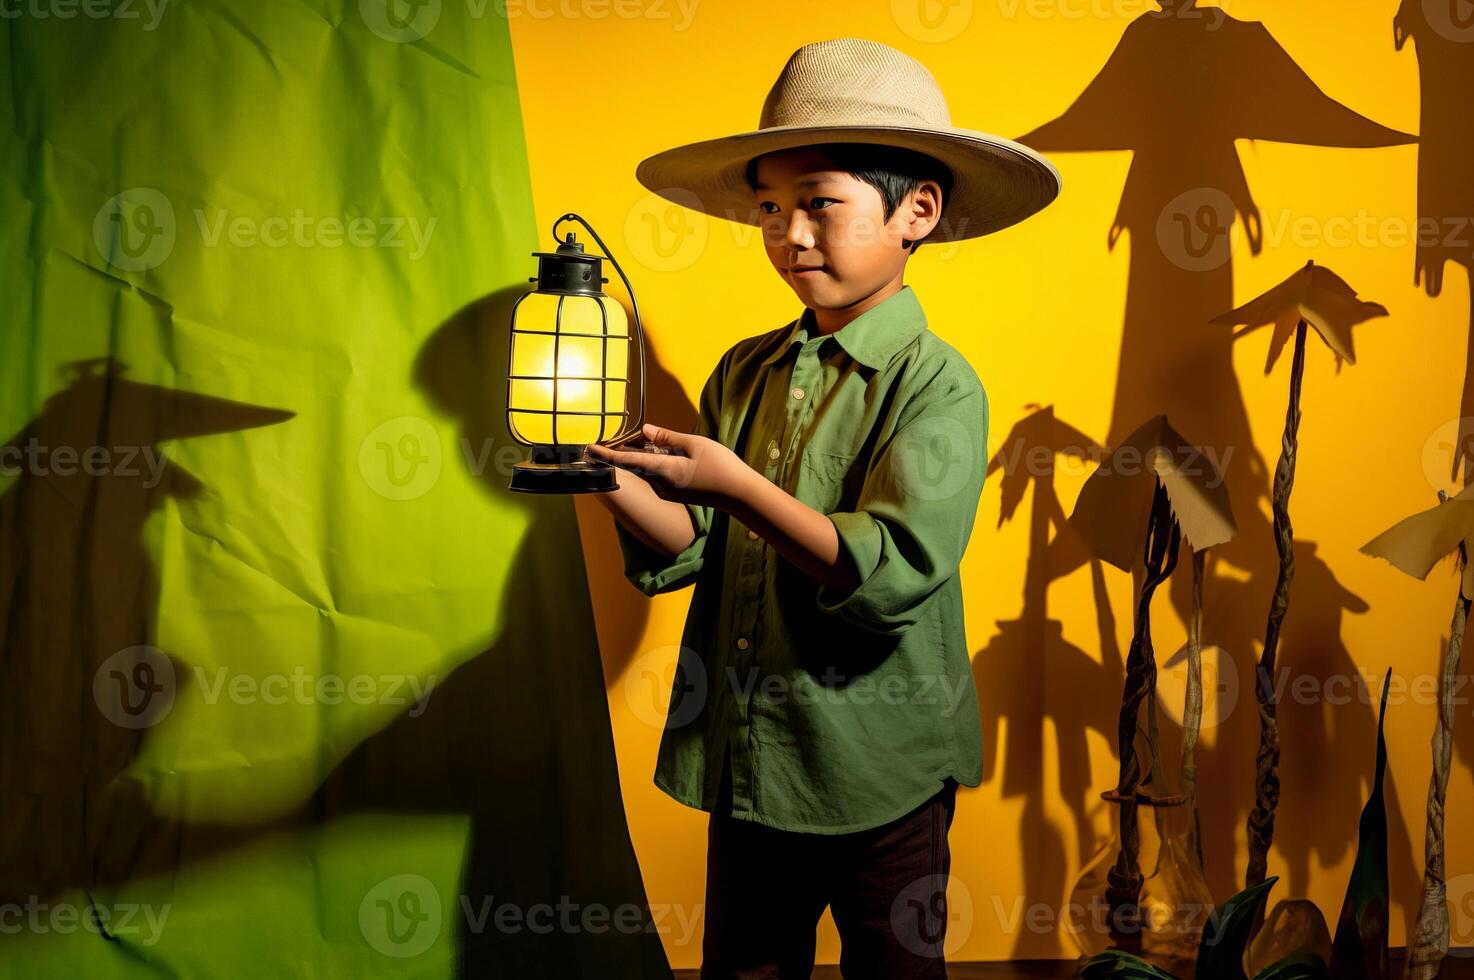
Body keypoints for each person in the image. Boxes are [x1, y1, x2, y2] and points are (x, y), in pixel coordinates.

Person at [584, 37, 1059, 979]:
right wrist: (611, 482)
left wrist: (734, 482)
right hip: (755, 760)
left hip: (882, 766)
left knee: (896, 968)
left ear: (916, 211)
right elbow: (695, 545)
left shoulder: (939, 387)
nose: (789, 235)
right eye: (769, 208)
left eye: (819, 205)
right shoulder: (744, 370)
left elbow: (886, 572)